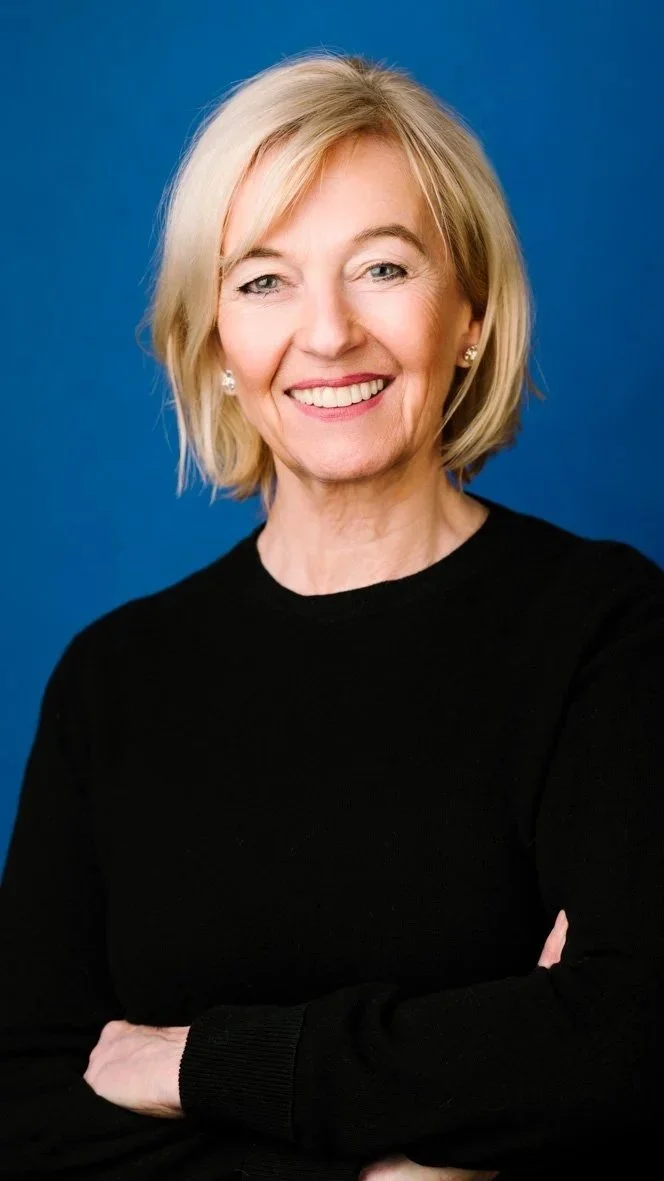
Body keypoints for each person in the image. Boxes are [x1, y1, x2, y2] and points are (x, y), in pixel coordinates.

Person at [1, 49, 662, 1181]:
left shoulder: (609, 631)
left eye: (383, 269)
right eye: (263, 281)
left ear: (471, 316)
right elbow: (24, 1102)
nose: (328, 333)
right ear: (214, 348)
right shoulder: (112, 680)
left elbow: (634, 1038)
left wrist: (197, 1065)